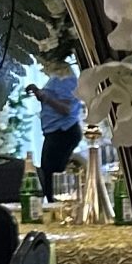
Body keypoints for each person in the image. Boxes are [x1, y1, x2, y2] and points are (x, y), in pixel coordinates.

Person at [29, 65, 84, 195]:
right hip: (56, 131)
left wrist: (45, 98)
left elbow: (66, 108)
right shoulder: (58, 78)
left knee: (51, 178)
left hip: (62, 131)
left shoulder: (65, 78)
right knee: (48, 175)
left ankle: (56, 208)